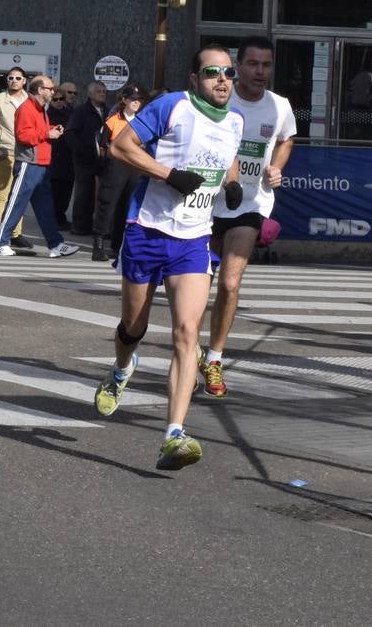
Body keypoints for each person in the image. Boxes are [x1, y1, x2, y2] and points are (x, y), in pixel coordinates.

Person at [92, 45, 245, 471]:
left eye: (228, 73)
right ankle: (122, 369)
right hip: (147, 229)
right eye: (212, 73)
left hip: (193, 240)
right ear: (195, 79)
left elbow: (227, 155)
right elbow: (121, 146)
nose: (222, 80)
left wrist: (231, 183)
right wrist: (169, 174)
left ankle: (173, 435)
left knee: (186, 334)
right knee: (134, 326)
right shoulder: (172, 106)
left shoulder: (235, 119)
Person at [200, 36, 297, 397]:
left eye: (266, 65)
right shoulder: (220, 97)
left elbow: (288, 139)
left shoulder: (280, 106)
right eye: (253, 64)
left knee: (229, 283)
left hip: (250, 205)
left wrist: (276, 167)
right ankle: (190, 348)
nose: (260, 71)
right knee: (198, 286)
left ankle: (214, 358)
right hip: (206, 205)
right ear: (238, 67)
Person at [0, 75, 80, 258]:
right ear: (40, 90)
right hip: (28, 165)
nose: (54, 92)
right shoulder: (27, 108)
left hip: (41, 165)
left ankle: (55, 244)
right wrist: (48, 133)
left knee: (45, 208)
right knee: (16, 205)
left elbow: (35, 133)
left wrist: (52, 129)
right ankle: (0, 243)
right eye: (50, 89)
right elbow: (23, 136)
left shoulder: (40, 109)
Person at [90, 83, 148, 262]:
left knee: (128, 205)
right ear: (124, 100)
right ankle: (98, 246)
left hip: (135, 166)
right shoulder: (113, 120)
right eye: (132, 99)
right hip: (116, 165)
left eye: (139, 100)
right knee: (108, 204)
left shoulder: (143, 120)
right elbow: (102, 144)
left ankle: (118, 245)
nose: (136, 103)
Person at [0, 67, 31, 250]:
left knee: (19, 195)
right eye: (10, 77)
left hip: (25, 154)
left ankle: (15, 234)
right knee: (1, 194)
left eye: (18, 78)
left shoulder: (30, 101)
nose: (14, 80)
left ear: (24, 81)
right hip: (5, 152)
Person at [64, 81, 108, 236]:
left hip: (102, 158)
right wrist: (81, 150)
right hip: (84, 159)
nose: (102, 94)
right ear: (90, 94)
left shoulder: (107, 112)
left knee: (102, 193)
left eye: (104, 91)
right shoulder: (81, 111)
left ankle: (99, 225)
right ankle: (80, 226)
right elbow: (69, 133)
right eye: (98, 91)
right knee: (84, 192)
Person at [47, 81, 77, 229]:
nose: (59, 102)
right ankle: (56, 218)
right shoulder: (47, 115)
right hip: (53, 156)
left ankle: (60, 216)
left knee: (66, 190)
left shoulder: (71, 113)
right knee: (55, 190)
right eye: (55, 99)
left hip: (68, 156)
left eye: (61, 99)